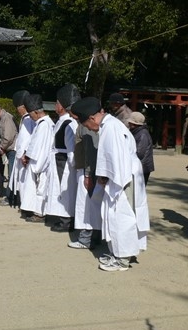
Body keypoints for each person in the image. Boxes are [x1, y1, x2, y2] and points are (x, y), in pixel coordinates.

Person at [71, 97, 150, 272]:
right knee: (117, 216)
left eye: (85, 124)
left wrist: (106, 177)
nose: (87, 128)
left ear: (92, 118)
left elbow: (115, 157)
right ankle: (120, 253)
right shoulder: (110, 125)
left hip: (121, 178)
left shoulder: (111, 128)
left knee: (122, 216)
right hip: (121, 176)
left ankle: (122, 259)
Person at [46, 84, 80, 233]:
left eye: (57, 103)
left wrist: (72, 164)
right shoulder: (60, 121)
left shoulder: (69, 123)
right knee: (58, 190)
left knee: (65, 190)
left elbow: (71, 147)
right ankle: (61, 216)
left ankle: (67, 220)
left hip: (64, 161)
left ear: (63, 106)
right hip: (58, 159)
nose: (55, 105)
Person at [66, 113, 102, 250]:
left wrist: (87, 175)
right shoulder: (83, 125)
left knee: (87, 206)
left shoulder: (86, 126)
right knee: (92, 205)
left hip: (88, 170)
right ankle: (95, 236)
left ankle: (86, 239)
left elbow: (90, 152)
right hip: (87, 169)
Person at [19, 94, 54, 222]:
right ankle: (37, 211)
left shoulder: (44, 125)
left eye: (30, 113)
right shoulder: (45, 123)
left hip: (41, 163)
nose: (30, 116)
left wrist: (28, 158)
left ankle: (40, 213)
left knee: (41, 189)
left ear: (35, 112)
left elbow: (39, 146)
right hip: (39, 161)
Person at [2, 90, 35, 207]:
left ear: (22, 107)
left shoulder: (28, 119)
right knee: (19, 180)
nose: (17, 110)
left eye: (18, 107)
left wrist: (24, 154)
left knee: (24, 181)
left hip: (24, 156)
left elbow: (27, 139)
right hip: (21, 155)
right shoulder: (26, 119)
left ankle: (24, 203)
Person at [0, 104, 18, 201]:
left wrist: (2, 147)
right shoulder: (1, 119)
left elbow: (8, 136)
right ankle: (10, 197)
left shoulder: (7, 118)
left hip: (12, 149)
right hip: (8, 149)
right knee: (10, 174)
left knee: (12, 174)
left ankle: (11, 198)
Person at [128, 112, 155, 185]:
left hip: (142, 167)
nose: (128, 123)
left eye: (130, 122)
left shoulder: (142, 134)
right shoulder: (136, 132)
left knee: (138, 190)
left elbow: (139, 153)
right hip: (140, 165)